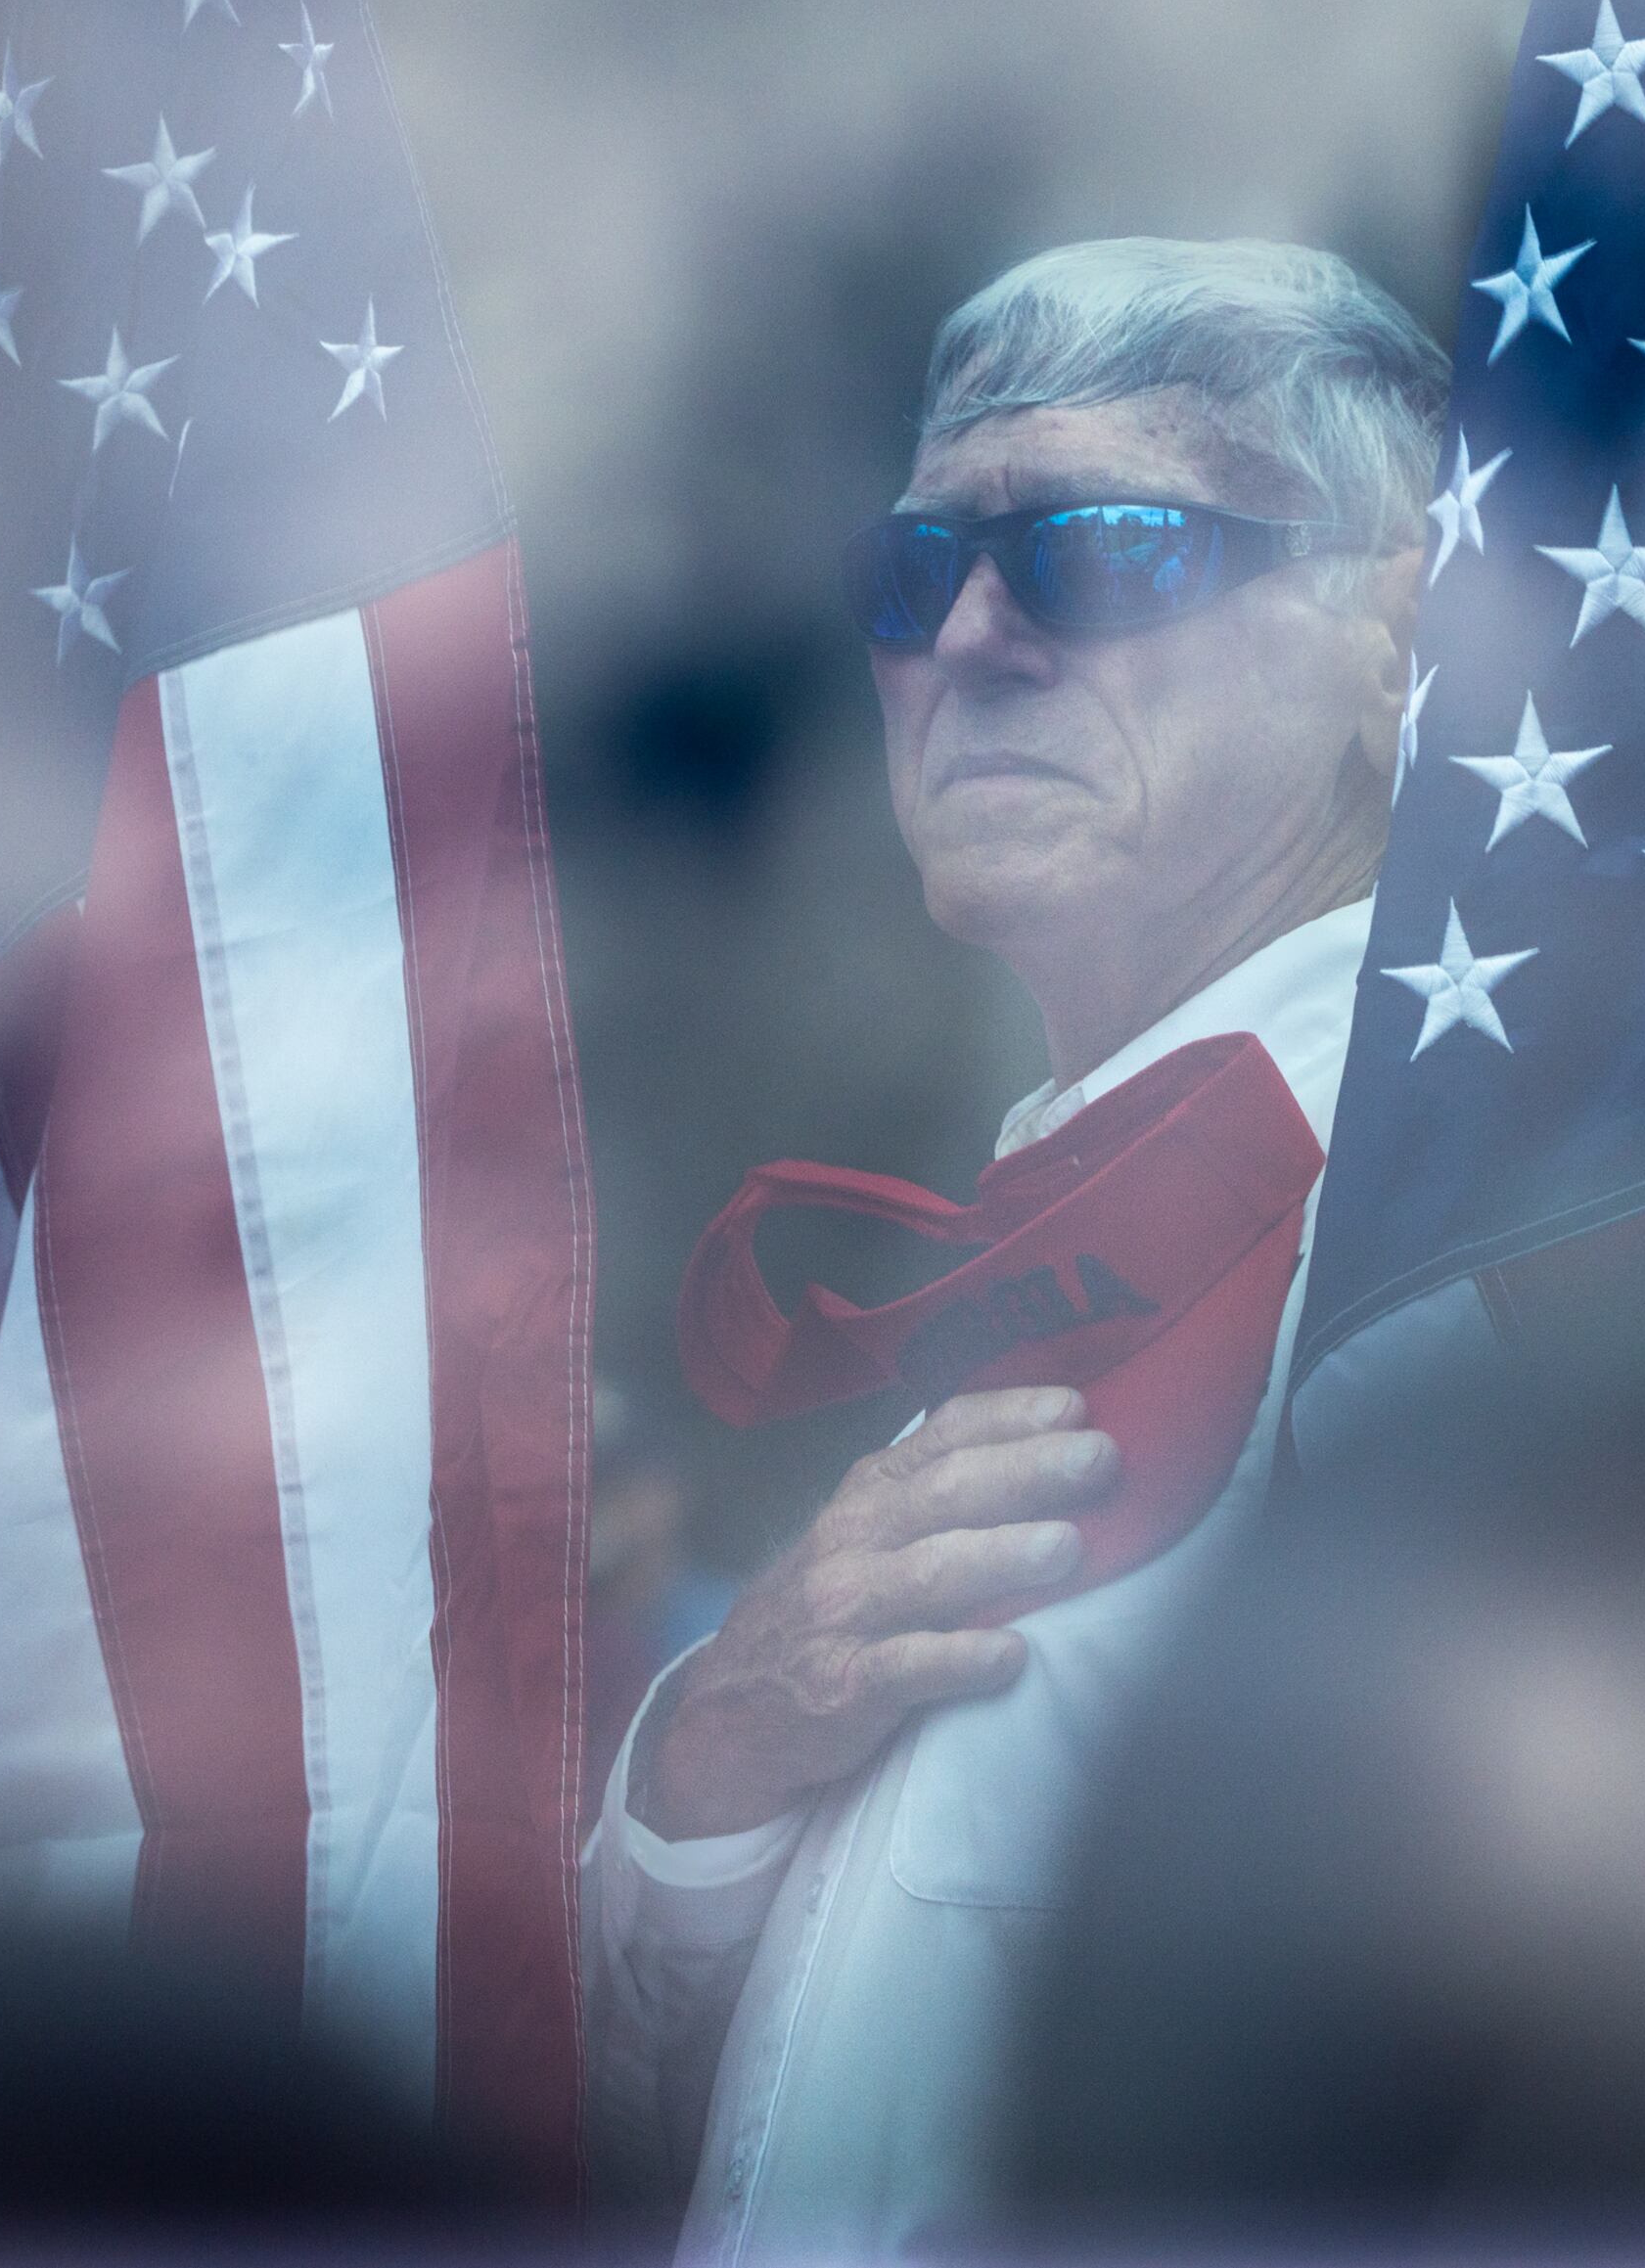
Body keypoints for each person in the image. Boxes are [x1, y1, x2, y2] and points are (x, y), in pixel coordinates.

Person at [580, 237, 1442, 2256]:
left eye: (1108, 550)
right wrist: (711, 1758)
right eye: (914, 571)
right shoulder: (1009, 1260)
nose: (969, 635)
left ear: (1395, 634)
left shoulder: (1469, 1246)